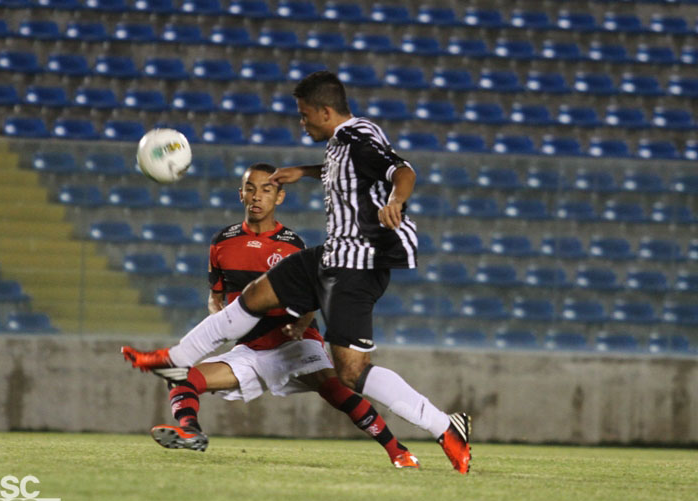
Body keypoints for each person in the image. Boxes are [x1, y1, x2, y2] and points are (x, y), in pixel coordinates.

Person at [122, 71, 471, 474]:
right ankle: (174, 359)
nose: (301, 123)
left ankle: (445, 426)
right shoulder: (341, 144)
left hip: (357, 265)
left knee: (351, 373)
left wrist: (396, 199)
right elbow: (342, 172)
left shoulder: (359, 136)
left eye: (305, 116)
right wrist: (302, 172)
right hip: (331, 256)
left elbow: (401, 170)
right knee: (254, 296)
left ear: (326, 112)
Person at [126, 163, 420, 469]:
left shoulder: (293, 246)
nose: (257, 196)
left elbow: (316, 294)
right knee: (182, 377)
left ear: (279, 197)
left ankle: (399, 451)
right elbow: (216, 295)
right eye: (250, 189)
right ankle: (190, 430)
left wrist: (303, 321)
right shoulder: (221, 242)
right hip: (252, 348)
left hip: (294, 344)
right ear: (240, 194)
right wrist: (220, 315)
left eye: (266, 189)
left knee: (336, 390)